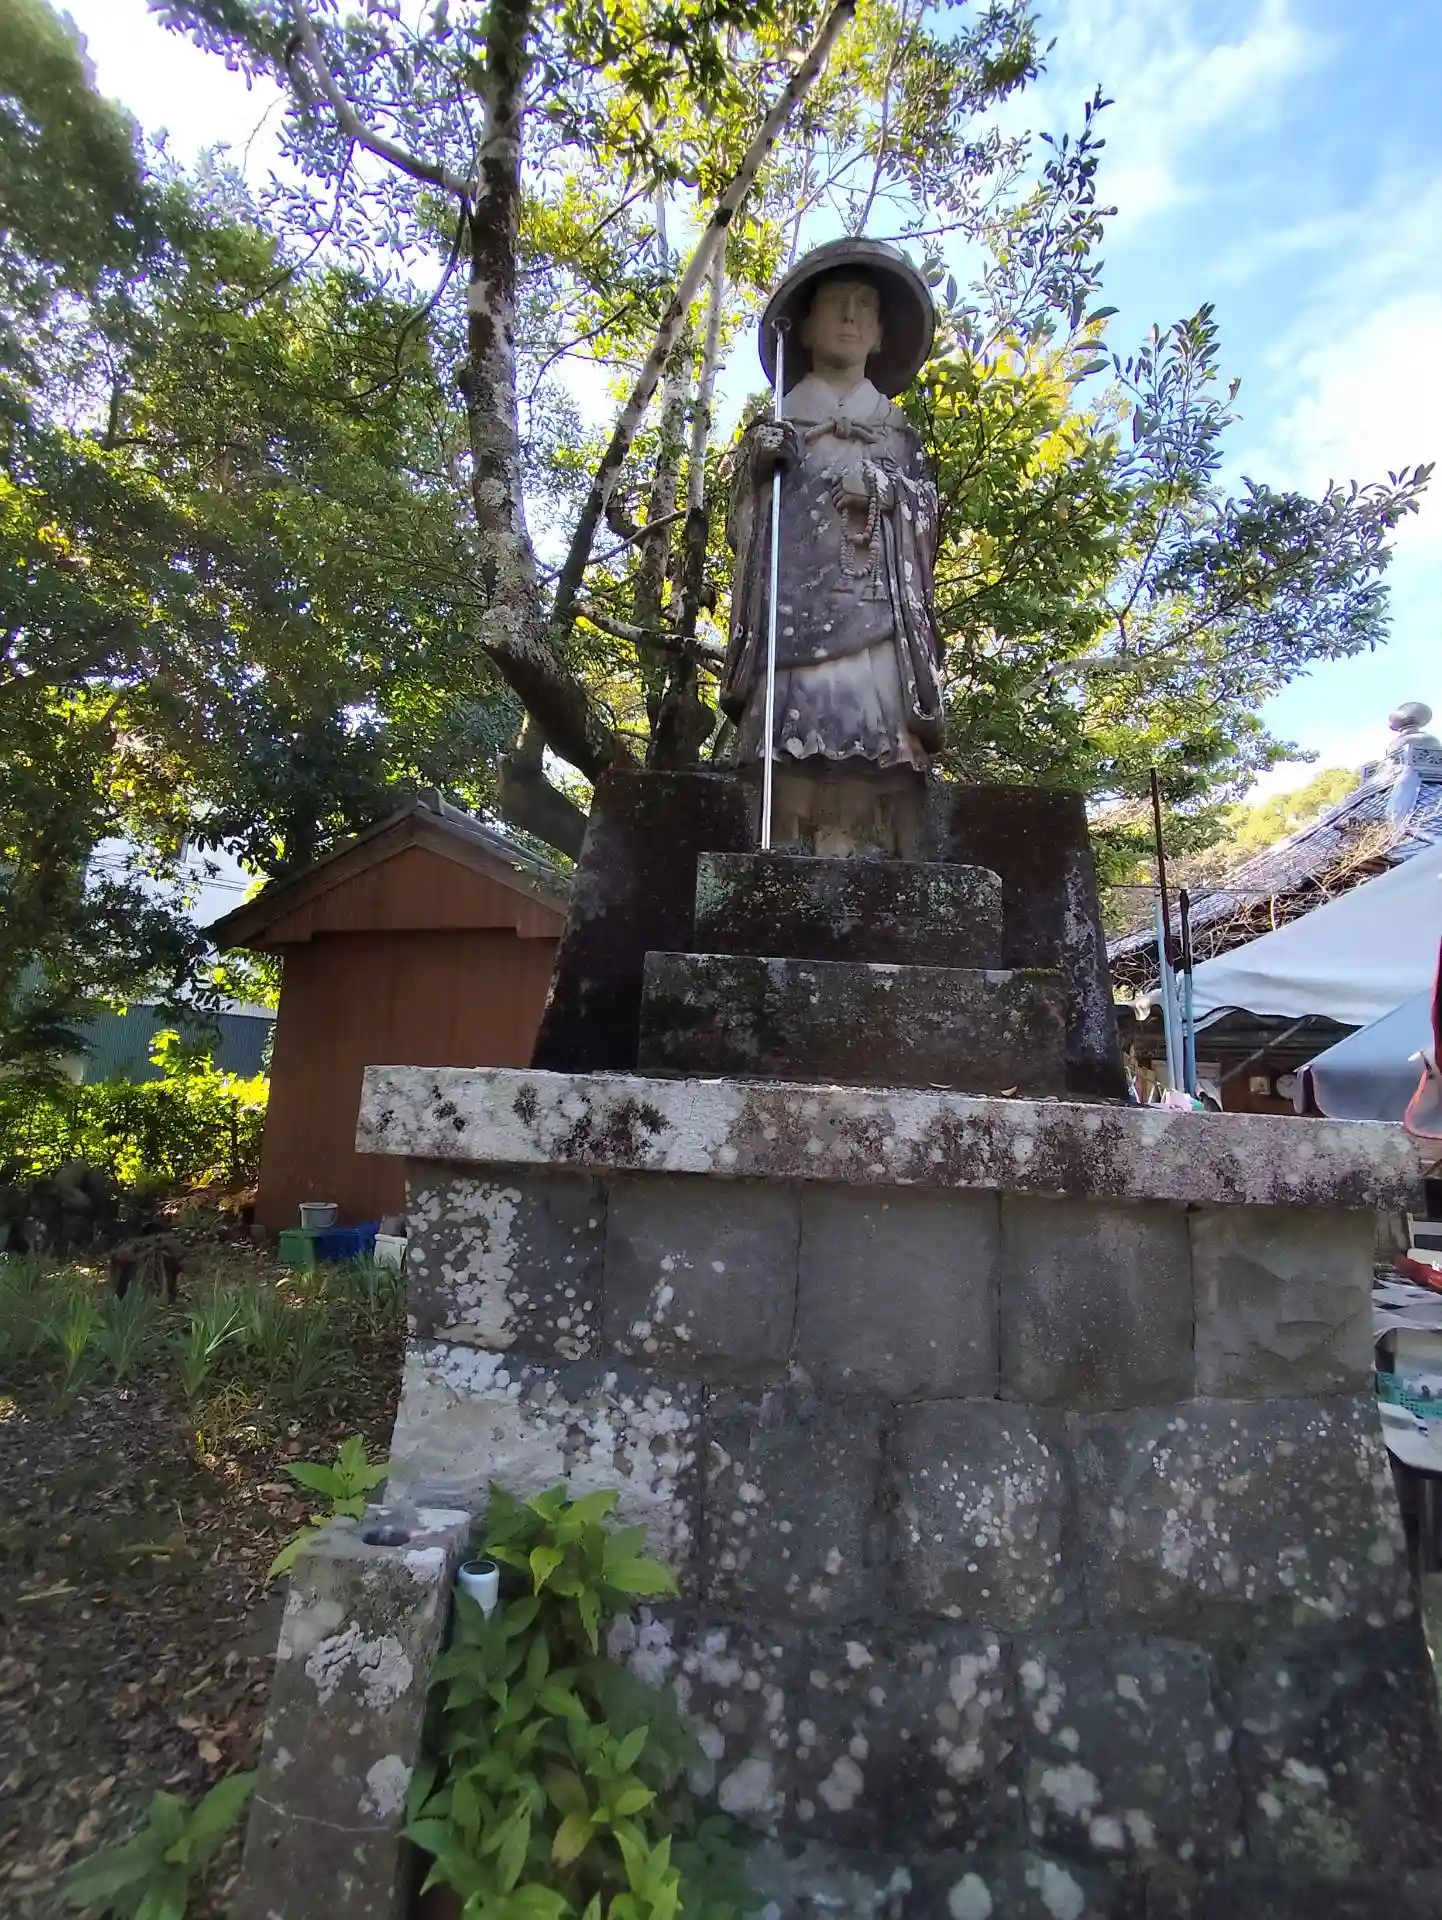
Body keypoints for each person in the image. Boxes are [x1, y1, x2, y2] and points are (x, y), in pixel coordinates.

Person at [721, 238, 945, 857]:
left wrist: (887, 491)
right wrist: (759, 475)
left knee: (877, 739)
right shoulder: (779, 425)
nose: (850, 317)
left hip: (875, 612)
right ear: (805, 325)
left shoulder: (897, 433)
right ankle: (785, 839)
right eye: (835, 304)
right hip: (794, 620)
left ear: (880, 333)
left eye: (865, 306)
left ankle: (874, 837)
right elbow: (742, 527)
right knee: (790, 741)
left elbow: (927, 516)